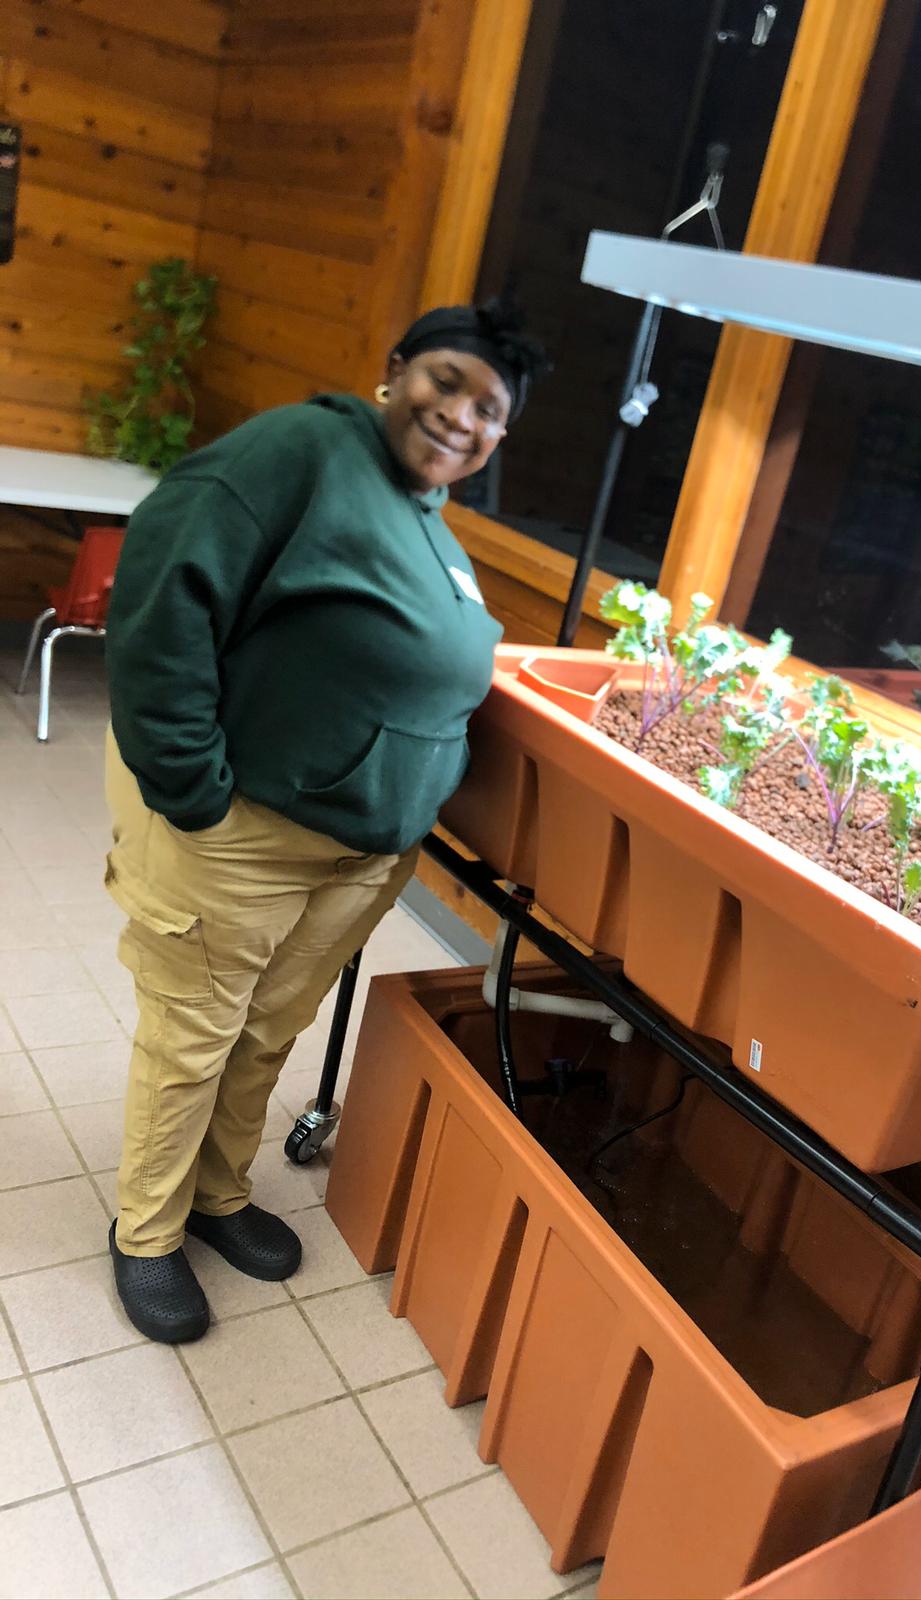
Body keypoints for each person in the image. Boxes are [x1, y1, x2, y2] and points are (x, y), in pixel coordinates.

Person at [103, 300, 546, 1343]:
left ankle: (217, 1197)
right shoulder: (305, 451)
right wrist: (191, 785)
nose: (461, 416)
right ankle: (146, 1232)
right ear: (396, 370)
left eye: (490, 409)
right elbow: (165, 580)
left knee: (267, 1033)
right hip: (248, 833)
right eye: (447, 381)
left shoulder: (428, 519)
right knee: (195, 1034)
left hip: (357, 853)